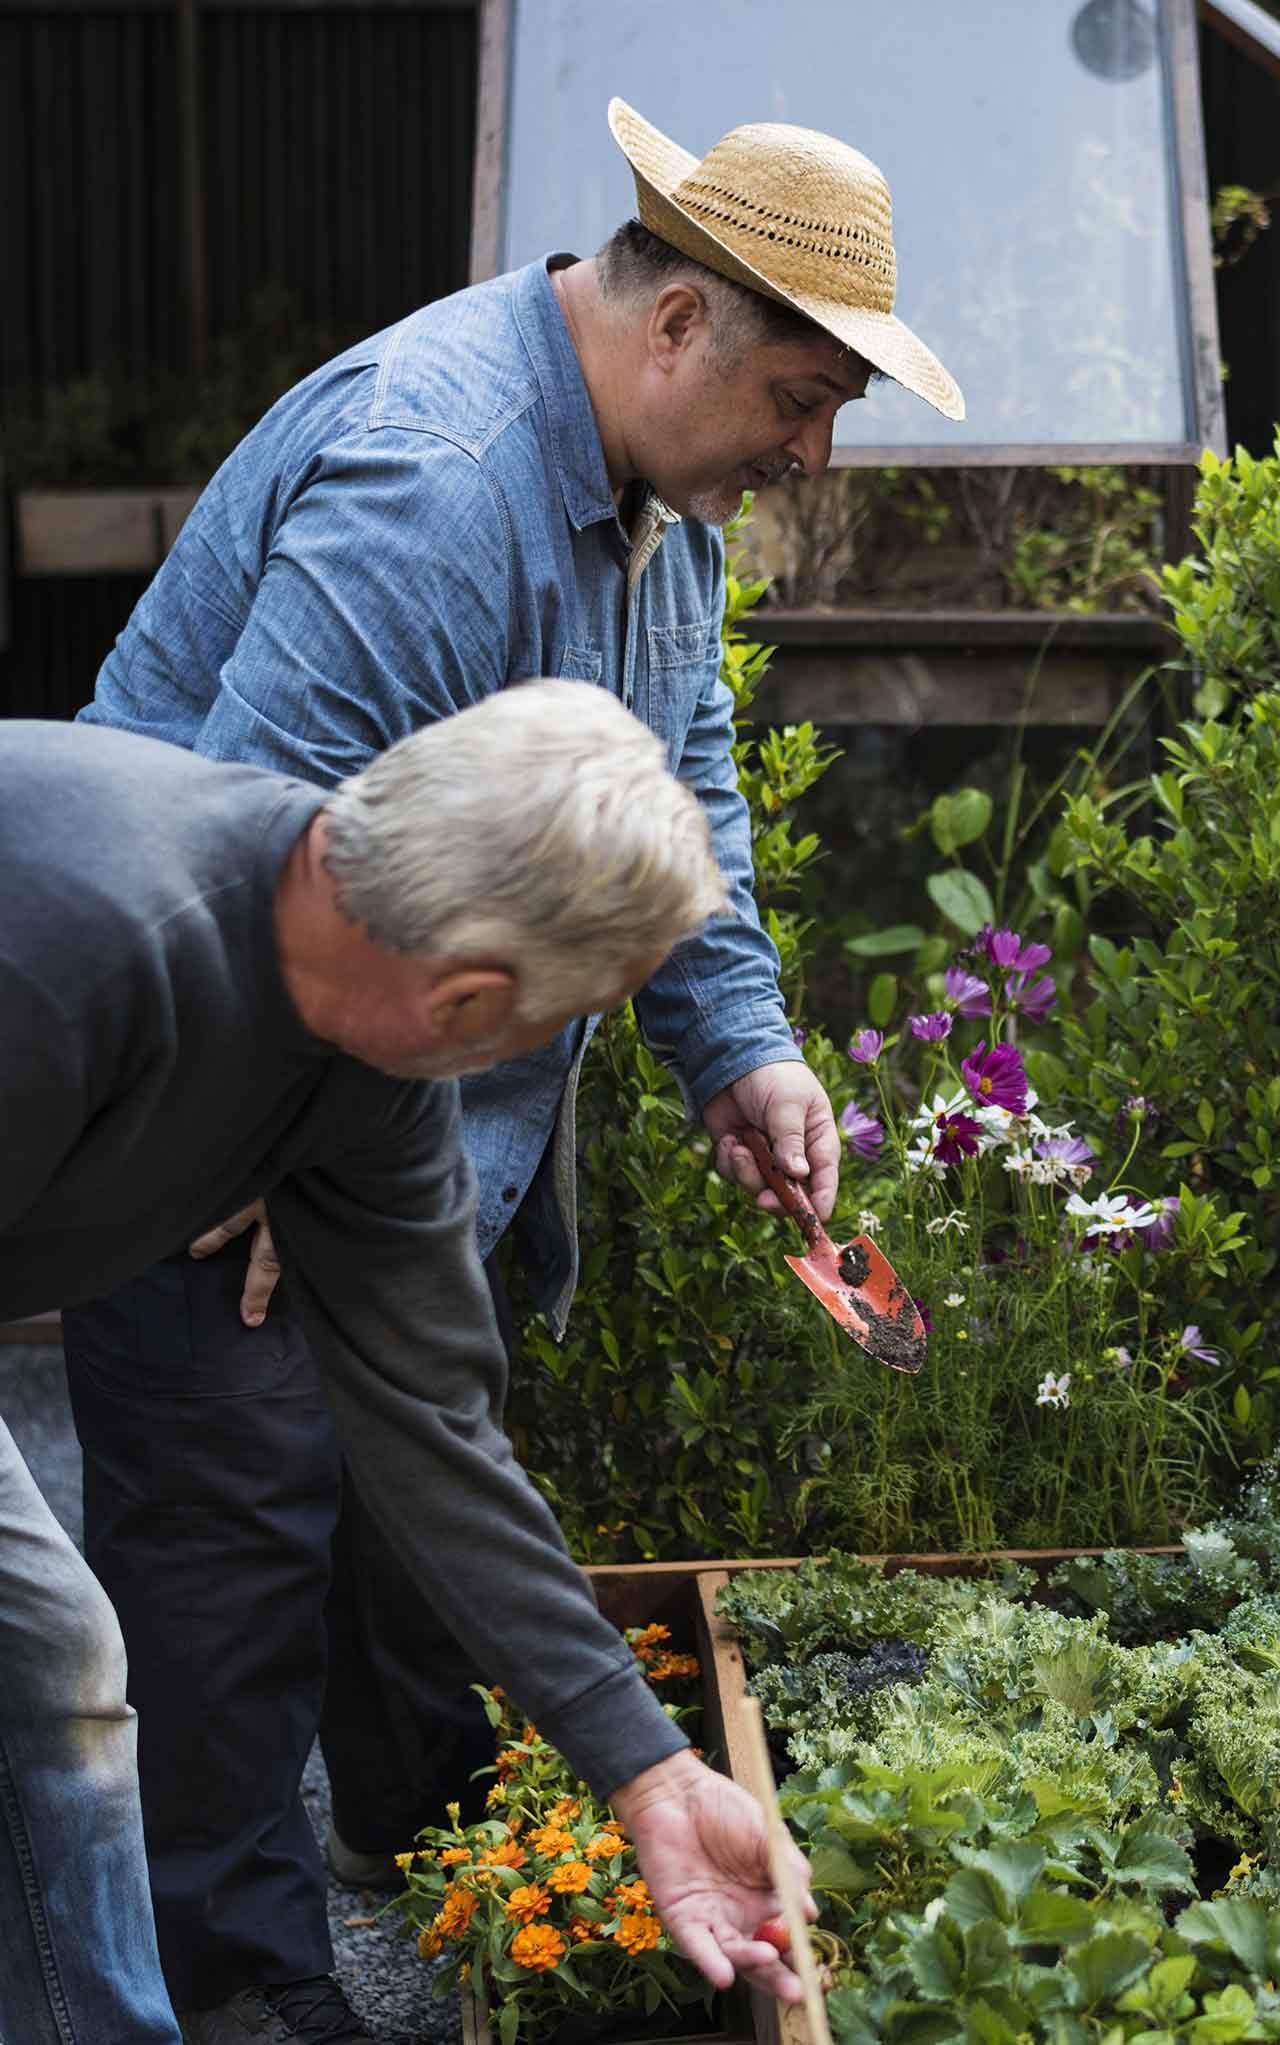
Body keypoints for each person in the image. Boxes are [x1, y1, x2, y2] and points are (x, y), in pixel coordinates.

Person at [69, 99, 960, 2043]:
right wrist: (255, 1145)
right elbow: (254, 830)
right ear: (678, 326)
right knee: (228, 1547)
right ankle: (247, 1991)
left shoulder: (659, 504)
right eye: (803, 400)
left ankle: (445, 1850)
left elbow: (681, 770)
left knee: (422, 1475)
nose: (810, 454)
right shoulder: (436, 483)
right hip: (200, 1110)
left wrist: (737, 1043)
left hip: (399, 1110)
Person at [0, 686, 815, 2045]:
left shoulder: (366, 1065)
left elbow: (435, 1431)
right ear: (471, 1000)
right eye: (554, 1028)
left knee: (52, 1659)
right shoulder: (80, 952)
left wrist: (654, 1776)